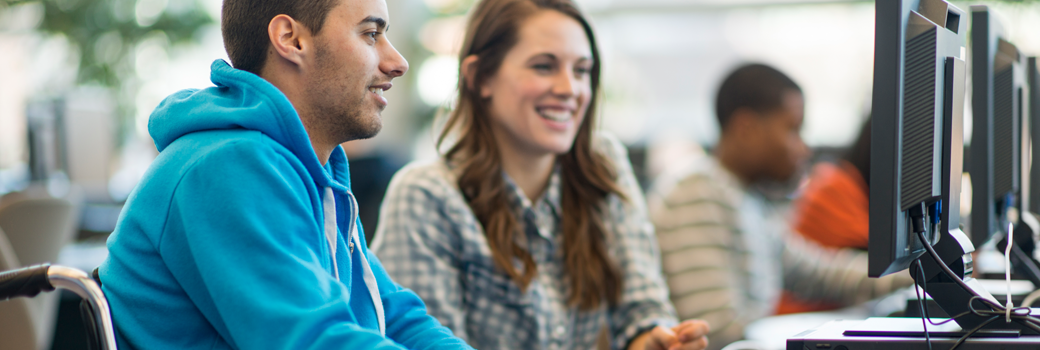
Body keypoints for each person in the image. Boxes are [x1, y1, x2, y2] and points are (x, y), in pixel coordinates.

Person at [98, 0, 473, 348]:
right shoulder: (228, 167)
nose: (397, 62)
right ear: (290, 40)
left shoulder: (310, 173)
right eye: (371, 34)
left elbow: (395, 317)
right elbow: (315, 340)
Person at [371, 0, 710, 349]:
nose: (570, 89)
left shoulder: (602, 165)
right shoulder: (427, 196)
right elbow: (425, 343)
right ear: (480, 78)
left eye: (581, 71)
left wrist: (656, 338)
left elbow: (642, 310)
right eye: (544, 67)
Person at [650, 64, 910, 350]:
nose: (803, 149)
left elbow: (822, 273)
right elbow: (718, 332)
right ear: (746, 128)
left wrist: (921, 271)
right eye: (792, 130)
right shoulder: (697, 195)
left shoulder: (746, 198)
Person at [774, 117, 873, 314]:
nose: (806, 150)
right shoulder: (835, 187)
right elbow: (866, 263)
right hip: (800, 320)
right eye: (793, 129)